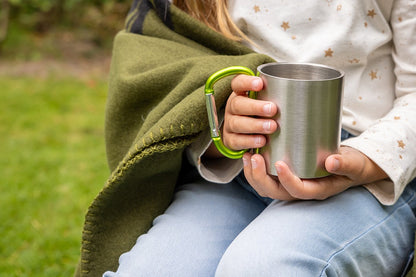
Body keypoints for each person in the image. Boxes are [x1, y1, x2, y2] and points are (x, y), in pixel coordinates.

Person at [74, 0, 416, 276]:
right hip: (237, 175)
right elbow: (168, 63)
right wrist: (222, 129)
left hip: (371, 177)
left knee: (263, 267)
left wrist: (365, 160)